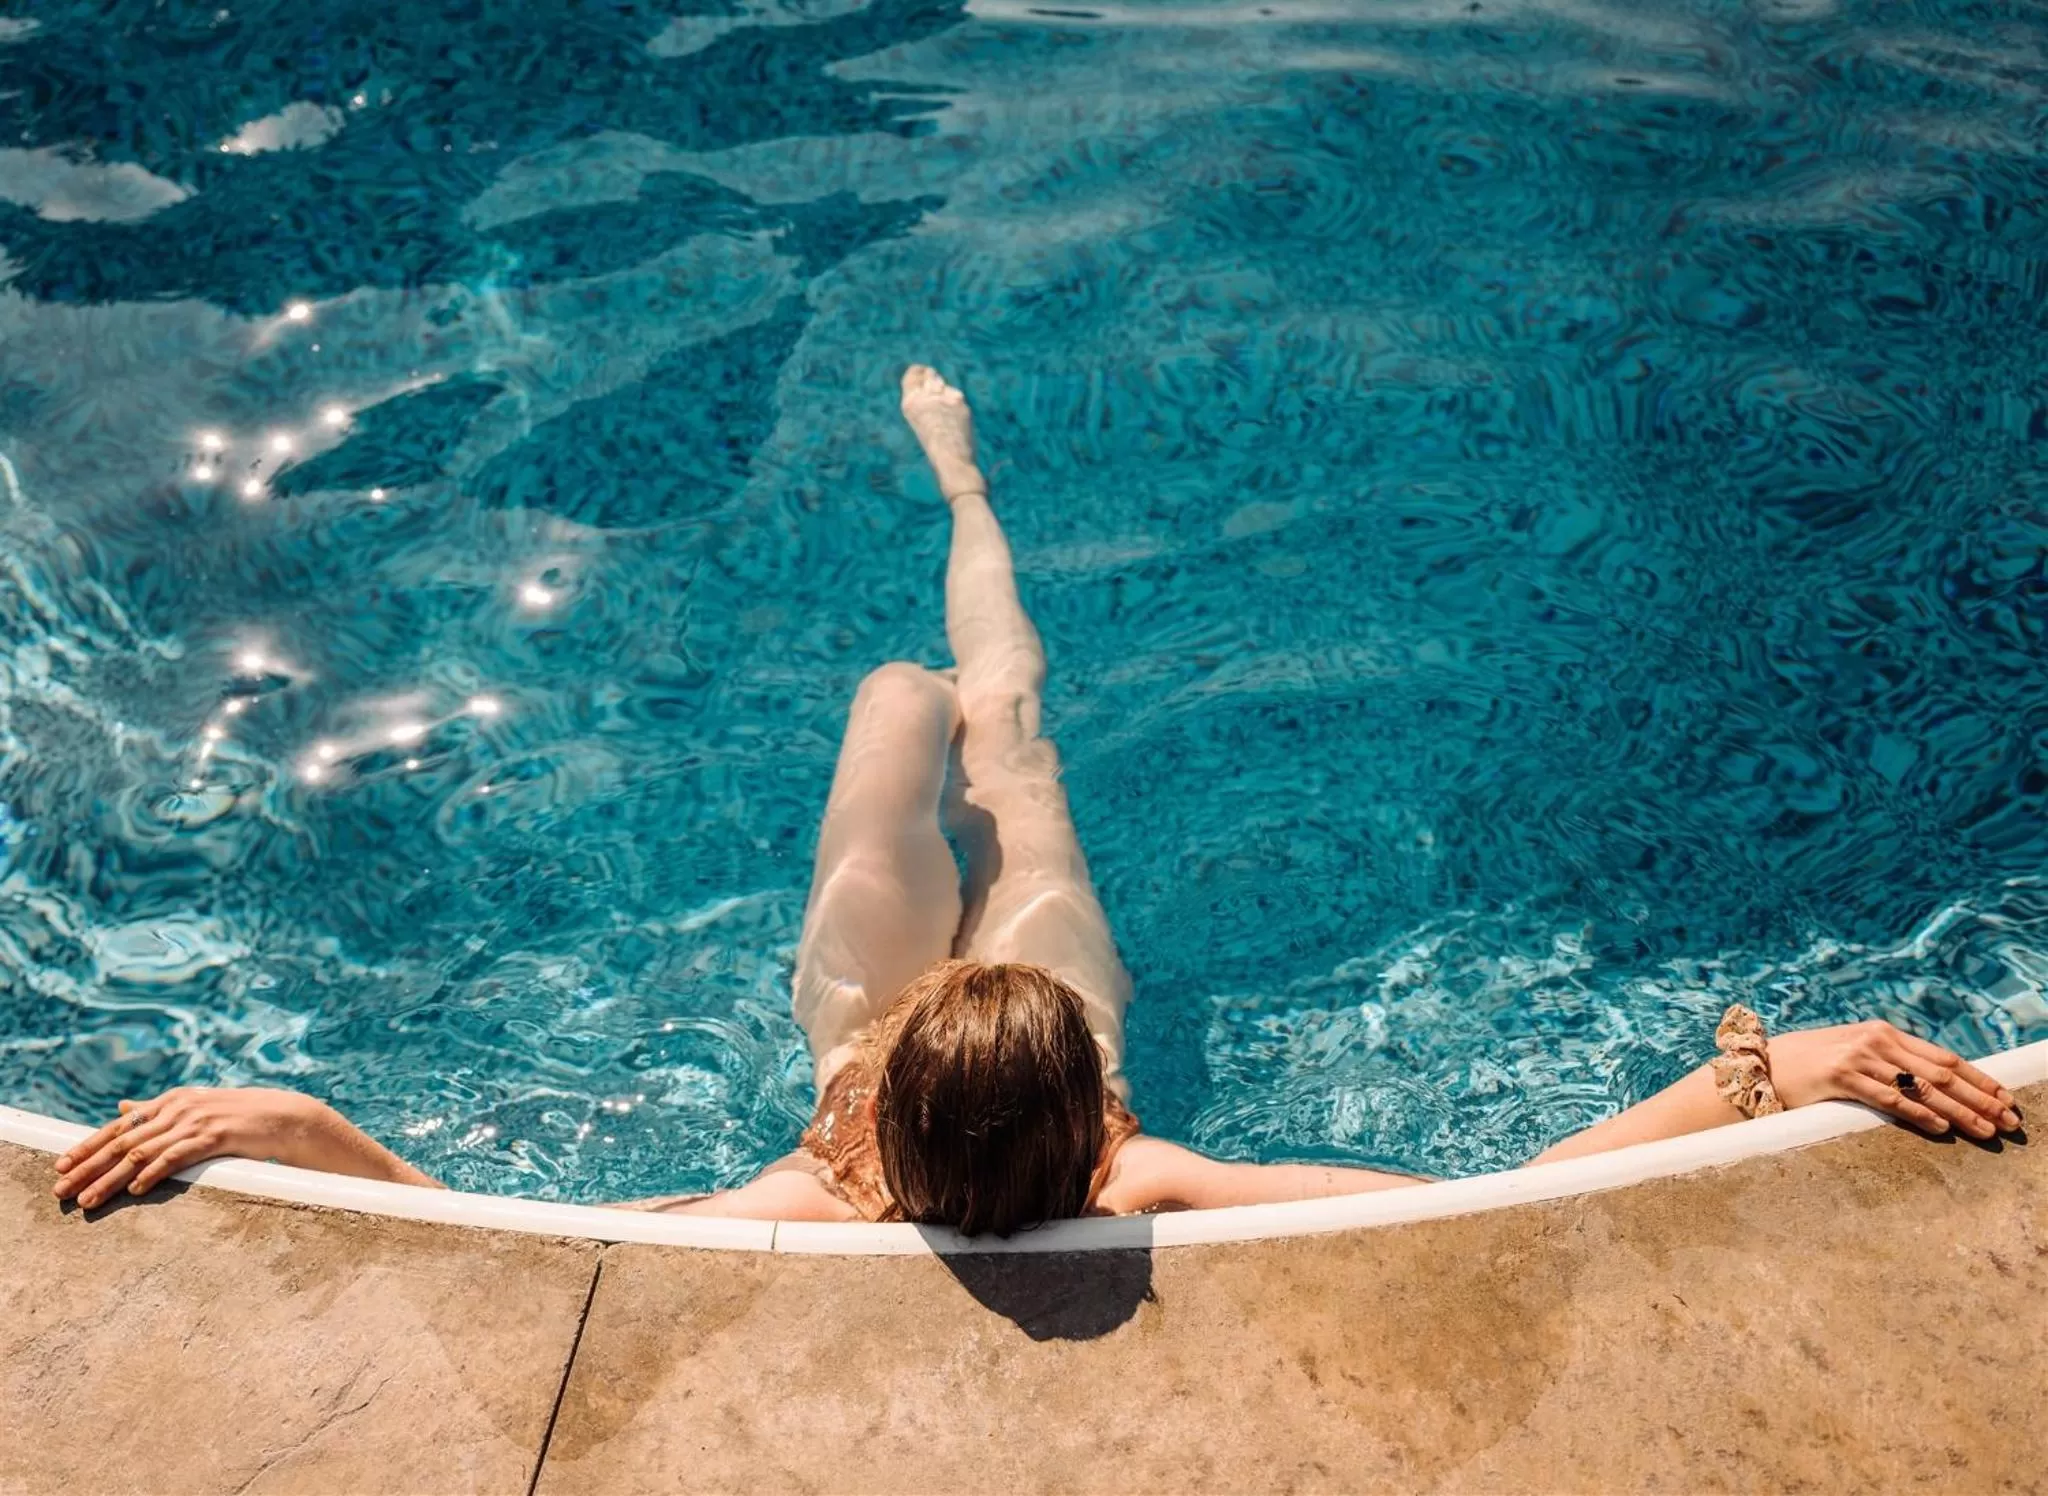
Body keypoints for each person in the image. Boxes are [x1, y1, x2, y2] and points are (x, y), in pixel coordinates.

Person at [52, 368, 2024, 1231]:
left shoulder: (807, 1199)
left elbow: (488, 1227)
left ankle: (961, 501)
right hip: (1021, 1007)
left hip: (938, 1028)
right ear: (1086, 1110)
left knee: (901, 703)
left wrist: (294, 1115)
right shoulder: (1137, 1184)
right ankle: (971, 496)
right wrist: (1790, 1062)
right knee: (1000, 729)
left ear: (881, 1121)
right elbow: (1508, 1192)